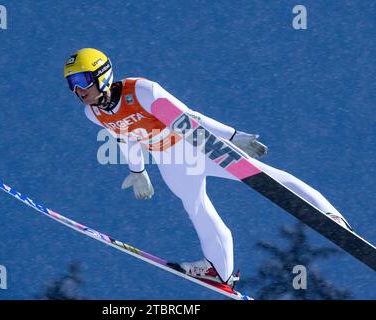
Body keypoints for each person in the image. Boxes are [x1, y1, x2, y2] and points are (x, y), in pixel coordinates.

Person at [63, 48, 352, 287]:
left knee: (266, 178)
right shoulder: (93, 114)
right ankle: (220, 271)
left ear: (102, 74)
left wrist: (232, 136)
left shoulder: (141, 90)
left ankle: (329, 215)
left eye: (82, 79)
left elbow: (189, 116)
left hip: (194, 146)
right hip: (169, 161)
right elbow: (127, 139)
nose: (78, 89)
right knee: (197, 208)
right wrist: (137, 171)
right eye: (71, 83)